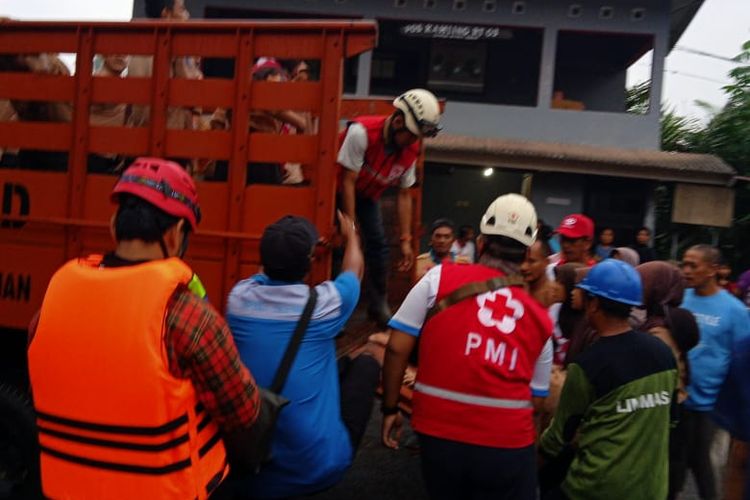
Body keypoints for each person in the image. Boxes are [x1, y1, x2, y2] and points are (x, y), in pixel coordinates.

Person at [27, 158, 264, 499]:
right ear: (176, 232)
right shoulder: (188, 317)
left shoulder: (51, 303)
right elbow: (244, 413)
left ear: (113, 226)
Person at [381, 194, 553, 500]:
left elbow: (396, 347)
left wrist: (390, 407)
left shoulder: (439, 278)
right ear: (526, 252)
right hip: (507, 444)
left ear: (482, 243)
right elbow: (536, 404)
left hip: (437, 432)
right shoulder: (540, 319)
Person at [225, 212, 380, 498]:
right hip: (315, 469)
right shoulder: (323, 306)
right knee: (367, 360)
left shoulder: (238, 299)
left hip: (246, 466)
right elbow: (353, 272)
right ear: (310, 263)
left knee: (337, 364)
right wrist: (352, 237)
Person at [539, 258, 678, 500]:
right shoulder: (663, 353)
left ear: (593, 305)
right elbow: (671, 420)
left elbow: (557, 437)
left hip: (597, 488)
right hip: (651, 489)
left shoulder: (588, 365)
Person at [337, 88, 442, 326]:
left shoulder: (410, 150)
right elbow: (347, 181)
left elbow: (405, 195)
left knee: (379, 247)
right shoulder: (361, 133)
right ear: (397, 122)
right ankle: (337, 311)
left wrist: (406, 239)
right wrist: (351, 230)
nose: (414, 142)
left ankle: (378, 304)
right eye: (412, 135)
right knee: (340, 246)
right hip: (339, 191)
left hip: (368, 196)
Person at [675, 244, 750, 500]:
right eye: (684, 263)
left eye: (693, 265)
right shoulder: (680, 299)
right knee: (675, 464)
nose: (686, 270)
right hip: (679, 399)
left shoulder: (735, 311)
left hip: (712, 406)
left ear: (713, 270)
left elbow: (741, 360)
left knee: (705, 465)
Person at [521, 238, 555, 308]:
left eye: (531, 261)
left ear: (546, 262)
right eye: (522, 260)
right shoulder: (515, 289)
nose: (523, 267)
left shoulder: (554, 295)